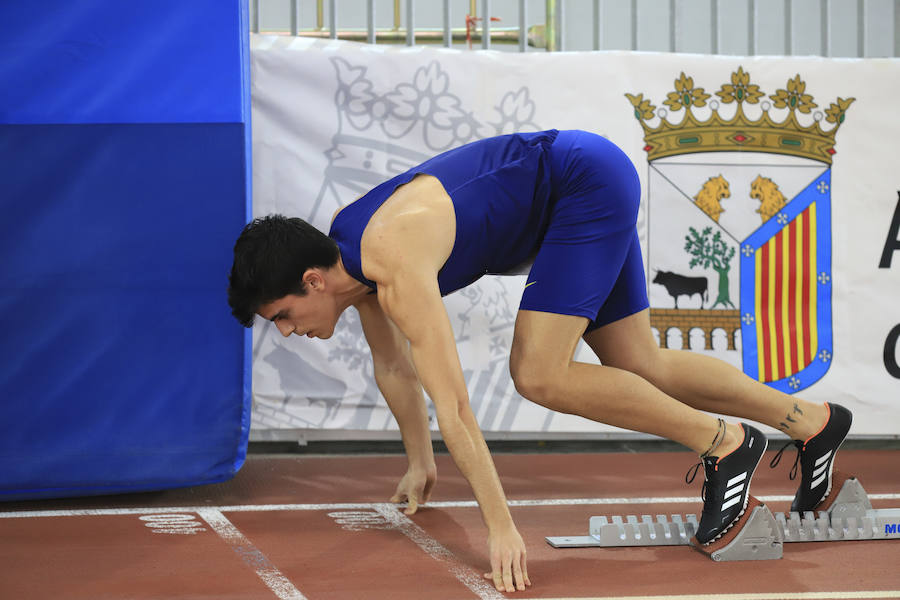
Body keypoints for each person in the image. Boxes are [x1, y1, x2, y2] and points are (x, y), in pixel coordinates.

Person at [228, 130, 852, 592]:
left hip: (581, 185)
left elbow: (455, 406)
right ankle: (811, 420)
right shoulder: (352, 262)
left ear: (312, 282)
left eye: (281, 315)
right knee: (640, 362)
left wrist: (500, 525)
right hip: (580, 186)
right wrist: (420, 462)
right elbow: (393, 368)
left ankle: (725, 444)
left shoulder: (387, 257)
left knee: (538, 373)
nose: (285, 332)